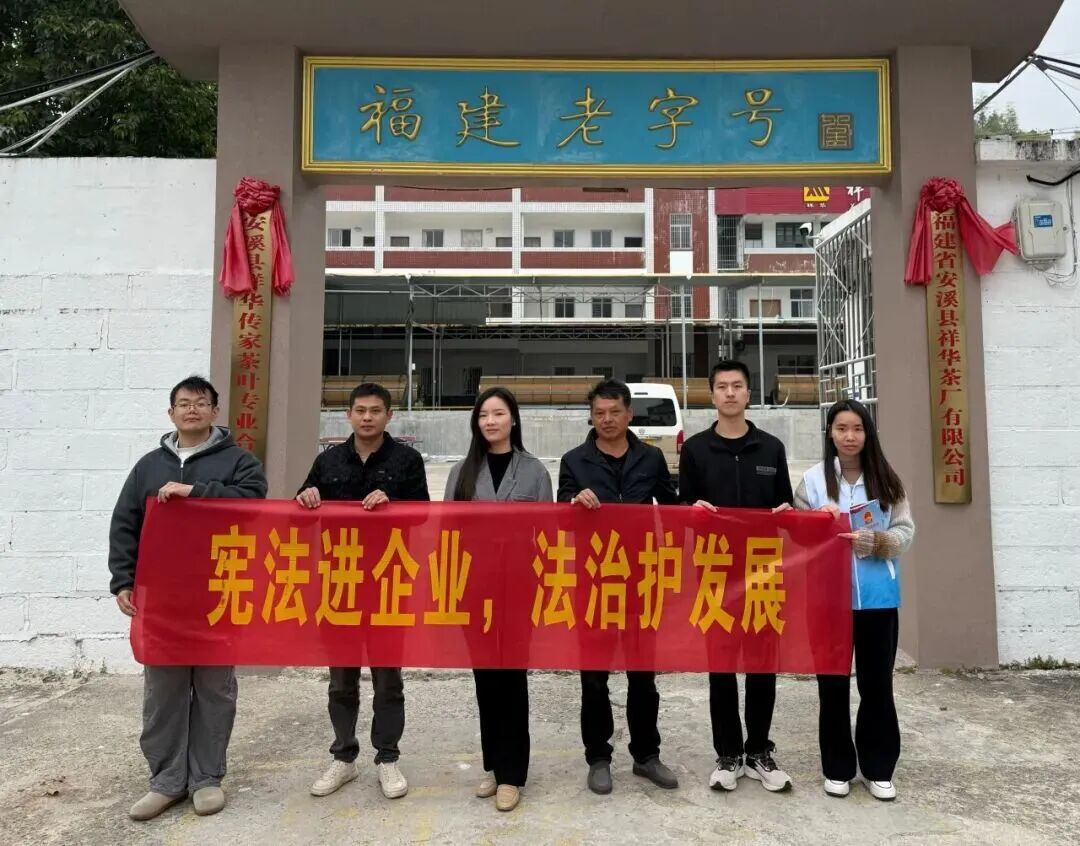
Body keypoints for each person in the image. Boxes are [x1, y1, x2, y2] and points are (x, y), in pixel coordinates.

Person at [109, 375, 268, 821]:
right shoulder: (148, 467)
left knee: (215, 689)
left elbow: (253, 503)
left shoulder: (239, 462)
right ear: (171, 413)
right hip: (163, 599)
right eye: (183, 403)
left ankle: (206, 778)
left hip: (219, 592)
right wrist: (122, 580)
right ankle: (166, 780)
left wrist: (196, 492)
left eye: (200, 403)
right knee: (163, 692)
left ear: (215, 412)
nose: (192, 409)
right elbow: (125, 524)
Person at [296, 383, 429, 802]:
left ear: (389, 415)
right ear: (348, 415)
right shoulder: (327, 461)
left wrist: (395, 503)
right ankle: (344, 756)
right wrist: (305, 497)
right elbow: (299, 512)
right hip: (339, 583)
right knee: (341, 679)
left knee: (388, 678)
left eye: (375, 410)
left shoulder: (407, 461)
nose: (367, 417)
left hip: (389, 582)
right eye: (360, 410)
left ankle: (387, 757)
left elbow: (424, 514)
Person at [557, 379, 680, 795]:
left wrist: (697, 510)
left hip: (641, 581)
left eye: (614, 412)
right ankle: (598, 757)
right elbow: (559, 514)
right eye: (599, 413)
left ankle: (646, 755)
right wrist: (574, 502)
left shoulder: (651, 457)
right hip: (593, 582)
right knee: (594, 677)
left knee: (643, 675)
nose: (607, 420)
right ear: (590, 417)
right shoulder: (574, 461)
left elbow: (673, 507)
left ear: (629, 414)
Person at [678, 360, 795, 793]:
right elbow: (682, 509)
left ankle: (759, 750)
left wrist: (788, 513)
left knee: (763, 664)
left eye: (737, 386)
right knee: (722, 667)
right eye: (722, 386)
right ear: (712, 395)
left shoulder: (771, 448)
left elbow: (786, 507)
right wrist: (691, 511)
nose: (730, 393)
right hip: (715, 571)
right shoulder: (695, 449)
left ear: (748, 393)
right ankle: (728, 754)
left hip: (763, 571)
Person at [791, 398, 914, 801]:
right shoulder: (812, 482)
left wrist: (876, 541)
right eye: (841, 428)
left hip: (878, 600)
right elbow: (796, 537)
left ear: (868, 433)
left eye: (857, 429)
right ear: (829, 433)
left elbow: (905, 533)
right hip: (827, 599)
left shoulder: (887, 480)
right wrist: (816, 522)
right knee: (832, 685)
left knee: (877, 685)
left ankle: (878, 768)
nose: (849, 436)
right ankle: (838, 767)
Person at [444, 386, 553, 813]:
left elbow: (547, 536)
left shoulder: (534, 472)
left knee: (512, 680)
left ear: (513, 419)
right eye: (483, 415)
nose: (490, 421)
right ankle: (493, 764)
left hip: (519, 589)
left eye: (498, 413)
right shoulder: (461, 472)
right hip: (475, 589)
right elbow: (448, 533)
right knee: (485, 680)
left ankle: (512, 774)